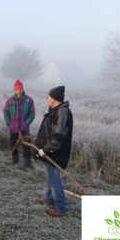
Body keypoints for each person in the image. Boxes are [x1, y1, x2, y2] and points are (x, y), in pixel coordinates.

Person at [35, 86, 73, 217]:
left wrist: (45, 150)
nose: (47, 99)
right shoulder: (55, 110)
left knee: (55, 180)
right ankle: (49, 200)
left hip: (55, 153)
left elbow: (59, 137)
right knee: (51, 179)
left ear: (55, 99)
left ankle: (60, 208)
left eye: (49, 97)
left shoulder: (62, 112)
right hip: (50, 152)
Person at [3, 79, 35, 169]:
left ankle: (27, 164)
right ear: (14, 90)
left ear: (23, 89)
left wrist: (26, 123)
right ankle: (15, 162)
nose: (19, 91)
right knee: (13, 144)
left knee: (26, 146)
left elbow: (32, 114)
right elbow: (5, 112)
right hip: (13, 128)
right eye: (17, 89)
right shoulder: (10, 100)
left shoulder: (29, 100)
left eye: (20, 89)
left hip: (25, 129)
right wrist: (8, 122)